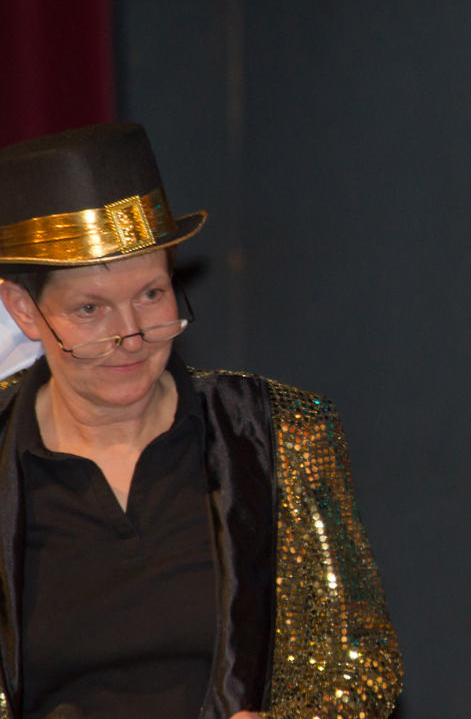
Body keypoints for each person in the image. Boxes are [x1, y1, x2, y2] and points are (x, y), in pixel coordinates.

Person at [0, 123, 401, 719]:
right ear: (24, 310)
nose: (131, 335)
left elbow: (363, 663)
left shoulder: (276, 433)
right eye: (90, 309)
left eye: (152, 295)